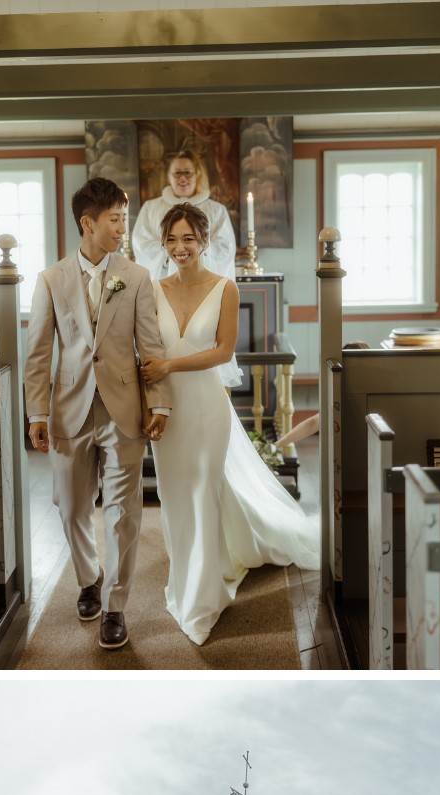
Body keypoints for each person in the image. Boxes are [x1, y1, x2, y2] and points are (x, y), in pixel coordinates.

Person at [140, 202, 319, 646]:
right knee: (174, 497)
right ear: (163, 243)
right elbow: (143, 352)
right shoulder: (150, 289)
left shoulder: (225, 288)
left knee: (204, 494)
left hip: (206, 408)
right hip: (166, 411)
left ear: (203, 242)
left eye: (188, 239)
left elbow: (222, 352)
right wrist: (152, 400)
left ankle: (203, 599)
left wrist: (169, 366)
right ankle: (184, 581)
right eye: (172, 239)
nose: (180, 248)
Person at [24, 177, 171, 652]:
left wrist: (160, 403)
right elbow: (38, 353)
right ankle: (88, 577)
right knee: (70, 507)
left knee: (124, 512)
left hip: (123, 409)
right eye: (114, 219)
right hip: (68, 409)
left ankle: (114, 606)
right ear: (87, 223)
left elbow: (150, 346)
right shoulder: (51, 279)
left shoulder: (137, 276)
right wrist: (35, 414)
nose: (122, 228)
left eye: (124, 219)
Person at [131, 149, 237, 281]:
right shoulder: (150, 208)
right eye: (177, 173)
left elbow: (225, 248)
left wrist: (192, 256)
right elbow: (142, 244)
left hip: (203, 281)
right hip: (162, 278)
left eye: (187, 173)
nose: (182, 178)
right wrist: (172, 256)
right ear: (168, 176)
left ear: (197, 175)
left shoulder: (216, 210)